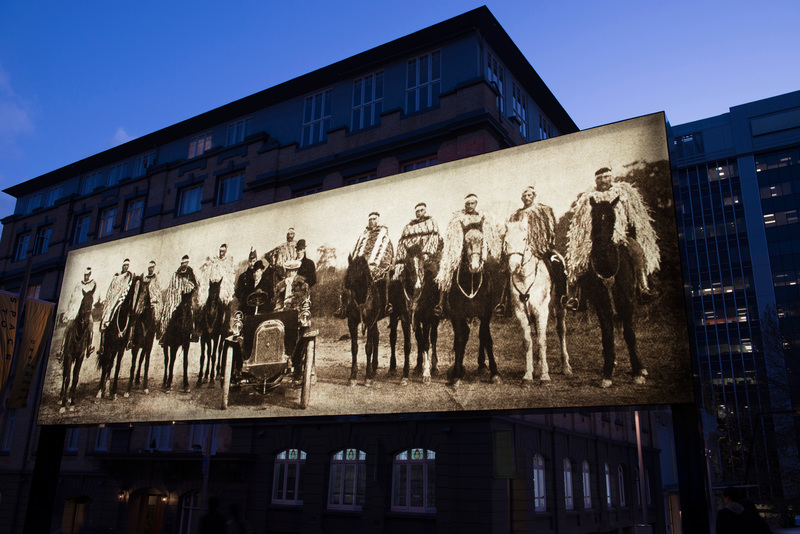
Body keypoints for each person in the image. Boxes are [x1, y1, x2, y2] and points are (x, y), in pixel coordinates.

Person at [564, 166, 660, 309]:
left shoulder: (624, 193)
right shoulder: (587, 199)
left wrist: (629, 234)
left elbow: (635, 217)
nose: (603, 181)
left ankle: (644, 288)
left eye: (606, 177)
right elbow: (579, 224)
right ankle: (575, 297)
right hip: (593, 240)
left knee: (637, 251)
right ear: (595, 180)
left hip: (621, 236)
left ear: (611, 177)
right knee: (576, 261)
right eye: (599, 178)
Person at [435, 193, 501, 315]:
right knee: (447, 270)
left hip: (481, 252)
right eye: (467, 204)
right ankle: (441, 303)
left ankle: (498, 303)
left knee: (494, 269)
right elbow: (452, 238)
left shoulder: (485, 218)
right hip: (461, 252)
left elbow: (491, 237)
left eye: (472, 203)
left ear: (476, 204)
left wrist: (488, 250)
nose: (470, 206)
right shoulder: (457, 219)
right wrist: (455, 252)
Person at [506, 185, 568, 301]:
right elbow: (512, 233)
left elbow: (551, 229)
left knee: (558, 263)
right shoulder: (516, 215)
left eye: (529, 195)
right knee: (508, 270)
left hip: (543, 249)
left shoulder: (543, 210)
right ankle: (505, 303)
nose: (527, 198)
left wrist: (546, 245)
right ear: (521, 198)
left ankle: (562, 297)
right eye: (524, 196)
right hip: (521, 251)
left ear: (534, 196)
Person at [334, 212, 393, 317]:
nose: (372, 221)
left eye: (374, 219)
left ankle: (387, 305)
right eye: (370, 219)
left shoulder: (383, 236)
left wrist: (378, 267)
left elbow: (387, 253)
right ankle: (343, 307)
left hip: (377, 267)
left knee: (386, 281)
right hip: (361, 268)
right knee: (346, 280)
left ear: (378, 220)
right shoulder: (363, 236)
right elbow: (357, 251)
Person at [394, 202, 442, 278]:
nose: (419, 213)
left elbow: (433, 240)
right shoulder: (408, 227)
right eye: (417, 211)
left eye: (421, 210)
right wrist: (400, 260)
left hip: (428, 256)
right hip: (411, 256)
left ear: (425, 211)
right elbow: (402, 244)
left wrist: (427, 253)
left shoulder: (431, 223)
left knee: (434, 272)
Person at [97, 259, 134, 357]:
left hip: (122, 299)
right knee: (105, 317)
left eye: (127, 265)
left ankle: (129, 340)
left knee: (130, 317)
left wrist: (122, 299)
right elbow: (111, 290)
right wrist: (110, 301)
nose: (126, 267)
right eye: (124, 265)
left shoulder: (129, 277)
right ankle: (101, 345)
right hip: (113, 300)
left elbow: (128, 289)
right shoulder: (116, 277)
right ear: (122, 266)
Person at [61, 266, 97, 355]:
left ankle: (89, 346)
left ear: (90, 275)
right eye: (85, 275)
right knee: (68, 328)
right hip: (76, 309)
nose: (86, 277)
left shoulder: (92, 284)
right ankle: (61, 350)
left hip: (86, 310)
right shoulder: (78, 284)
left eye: (88, 275)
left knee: (91, 324)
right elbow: (73, 297)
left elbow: (92, 296)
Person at [198, 243, 235, 308]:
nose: (221, 253)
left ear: (225, 252)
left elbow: (229, 279)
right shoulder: (214, 262)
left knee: (226, 305)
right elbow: (208, 274)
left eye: (223, 251)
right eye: (220, 251)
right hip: (213, 287)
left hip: (223, 289)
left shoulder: (227, 263)